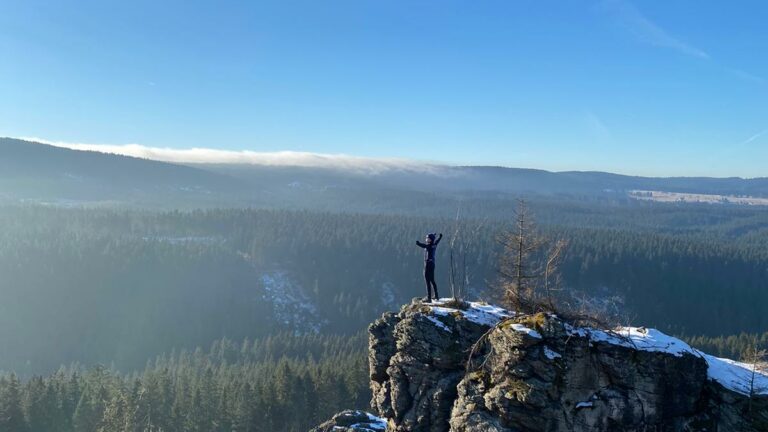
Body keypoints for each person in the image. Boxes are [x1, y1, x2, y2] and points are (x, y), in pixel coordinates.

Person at [416, 232, 443, 302]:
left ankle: (429, 298)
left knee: (427, 281)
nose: (426, 239)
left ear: (430, 240)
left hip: (427, 264)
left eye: (428, 238)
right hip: (432, 264)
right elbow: (437, 241)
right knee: (432, 280)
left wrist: (418, 243)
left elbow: (423, 246)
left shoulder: (428, 246)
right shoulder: (434, 244)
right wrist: (439, 237)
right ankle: (436, 296)